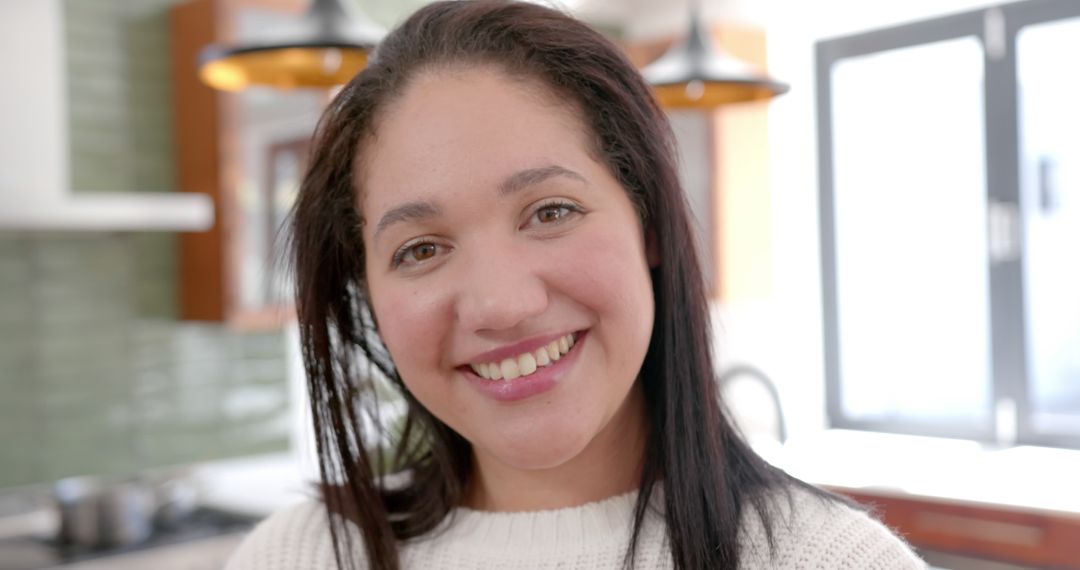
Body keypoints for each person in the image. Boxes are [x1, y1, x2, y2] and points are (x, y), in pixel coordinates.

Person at [225, 1, 925, 568]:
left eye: (550, 212)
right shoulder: (298, 556)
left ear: (647, 219)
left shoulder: (827, 560)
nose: (501, 305)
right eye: (422, 248)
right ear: (368, 294)